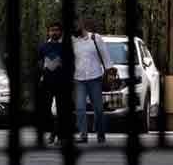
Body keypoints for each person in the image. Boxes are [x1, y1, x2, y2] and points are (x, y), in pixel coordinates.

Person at [72, 16, 116, 144]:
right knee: (80, 107)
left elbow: (105, 56)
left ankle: (100, 134)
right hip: (79, 79)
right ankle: (83, 134)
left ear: (81, 25)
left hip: (95, 78)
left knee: (98, 109)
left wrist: (110, 72)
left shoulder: (95, 38)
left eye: (75, 27)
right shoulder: (73, 41)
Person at [38, 21, 70, 145]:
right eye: (52, 30)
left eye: (56, 30)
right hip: (47, 82)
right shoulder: (43, 47)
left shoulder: (65, 47)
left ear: (60, 32)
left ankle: (60, 136)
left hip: (62, 83)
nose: (54, 32)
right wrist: (41, 75)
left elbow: (70, 65)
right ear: (48, 32)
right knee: (47, 110)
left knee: (62, 110)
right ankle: (52, 132)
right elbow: (39, 63)